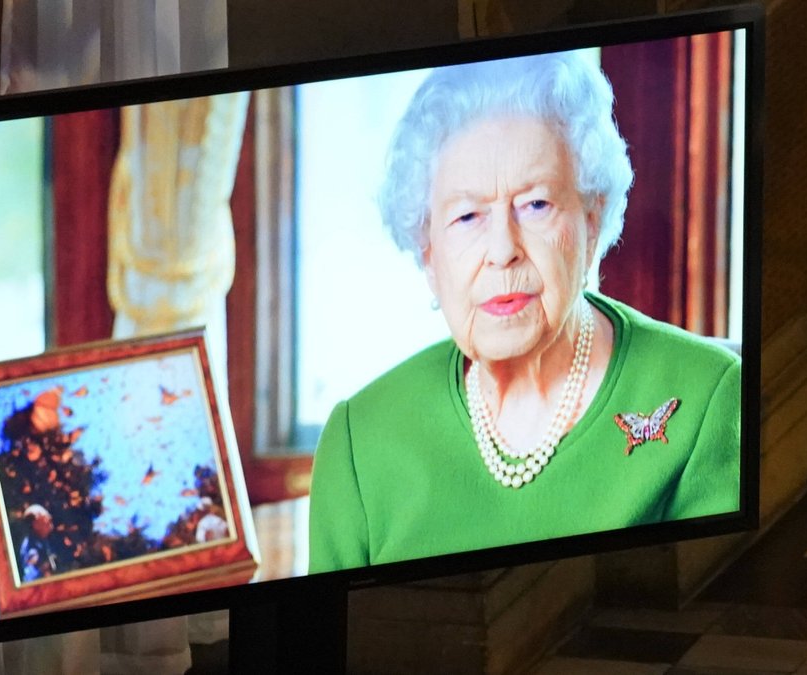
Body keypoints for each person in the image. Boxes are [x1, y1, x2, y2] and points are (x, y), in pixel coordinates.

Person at [308, 52, 741, 573]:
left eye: (535, 205)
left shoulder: (707, 398)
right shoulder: (361, 440)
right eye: (467, 216)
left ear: (591, 219)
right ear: (428, 254)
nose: (502, 249)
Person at [18, 503, 57, 581]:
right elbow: (30, 579)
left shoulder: (45, 538)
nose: (49, 517)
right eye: (45, 517)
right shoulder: (31, 549)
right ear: (36, 525)